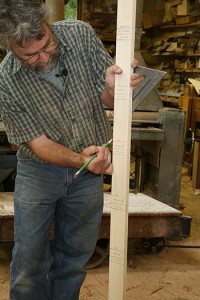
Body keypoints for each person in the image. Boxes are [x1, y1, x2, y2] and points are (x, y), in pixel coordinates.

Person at [0, 1, 143, 299]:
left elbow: (109, 99)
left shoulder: (79, 35)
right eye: (31, 55)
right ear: (10, 47)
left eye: (47, 45)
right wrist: (82, 159)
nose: (44, 57)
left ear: (49, 25)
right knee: (29, 263)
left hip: (87, 179)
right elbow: (37, 143)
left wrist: (113, 89)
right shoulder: (6, 79)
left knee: (74, 258)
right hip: (39, 174)